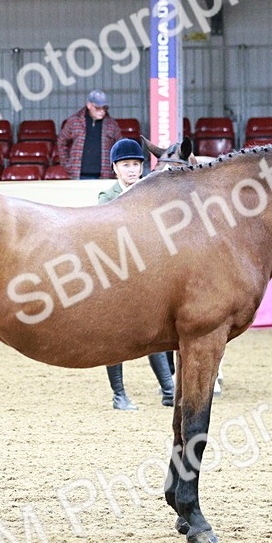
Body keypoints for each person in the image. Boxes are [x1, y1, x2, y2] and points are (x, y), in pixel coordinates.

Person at [98, 139, 175, 410]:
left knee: (155, 331)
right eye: (126, 165)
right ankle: (119, 395)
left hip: (148, 273)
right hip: (116, 274)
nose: (131, 170)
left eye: (135, 164)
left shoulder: (151, 192)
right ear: (115, 169)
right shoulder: (107, 197)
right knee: (114, 334)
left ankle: (169, 390)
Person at [57, 89, 120, 180]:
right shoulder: (74, 121)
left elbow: (120, 147)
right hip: (78, 175)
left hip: (105, 175)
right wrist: (67, 164)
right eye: (98, 108)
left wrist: (114, 168)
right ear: (89, 105)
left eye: (104, 108)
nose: (102, 111)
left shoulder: (112, 124)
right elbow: (61, 142)